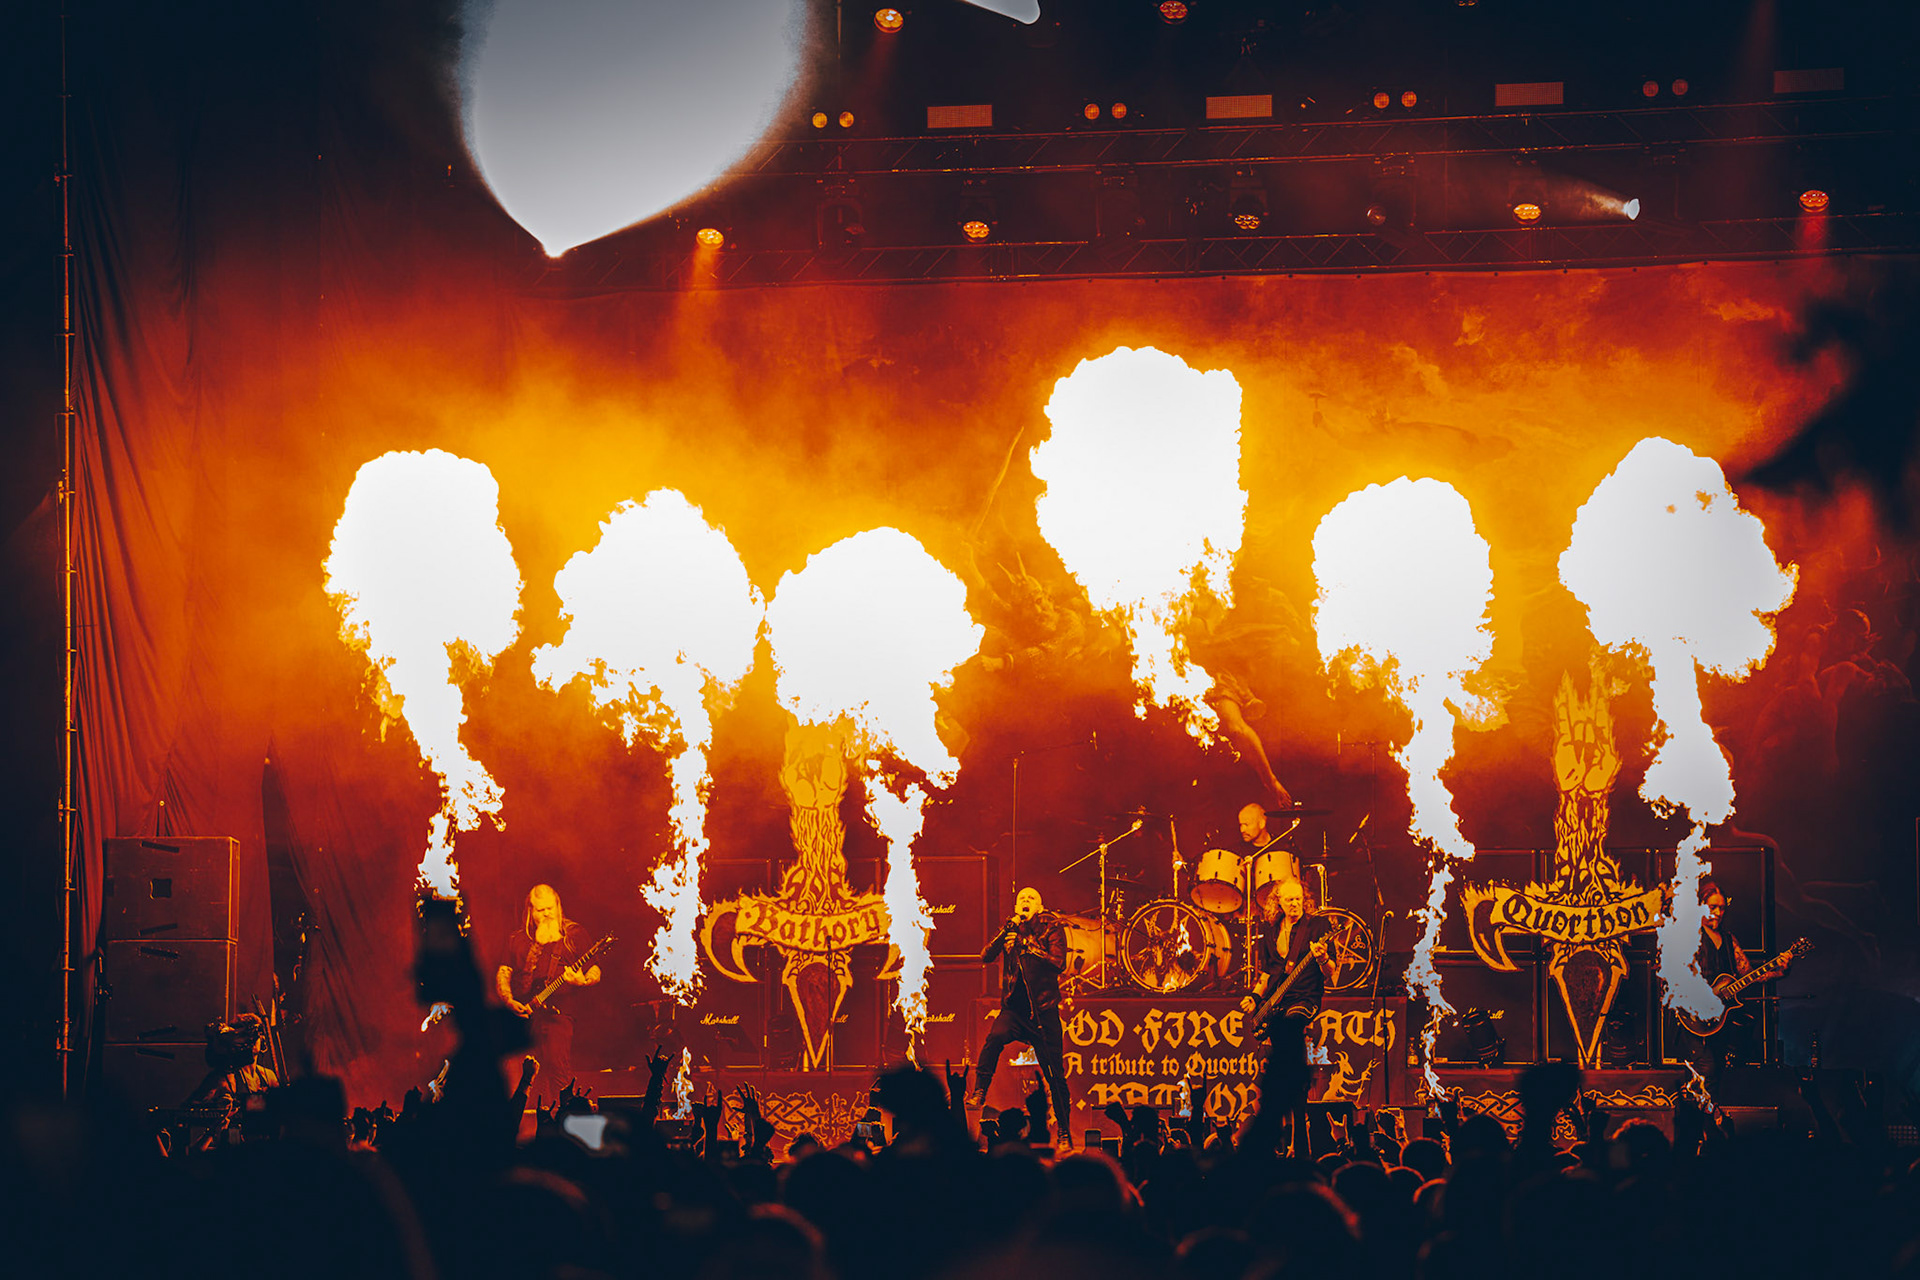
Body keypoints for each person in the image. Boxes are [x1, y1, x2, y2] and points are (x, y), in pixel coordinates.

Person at [965, 886, 1073, 1149]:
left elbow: (1058, 963)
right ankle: (979, 1092)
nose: (1025, 901)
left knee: (1054, 1074)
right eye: (1021, 898)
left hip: (1043, 1010)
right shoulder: (1011, 929)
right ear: (1016, 907)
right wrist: (1005, 931)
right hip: (1015, 1010)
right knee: (993, 1039)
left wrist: (1027, 947)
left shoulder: (1051, 928)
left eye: (1030, 898)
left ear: (1039, 906)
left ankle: (1065, 1132)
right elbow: (985, 956)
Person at [1240, 880, 1334, 1155]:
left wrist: (1322, 957)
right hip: (1278, 1001)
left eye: (1298, 900)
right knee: (1273, 1056)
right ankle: (1283, 1131)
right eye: (1289, 900)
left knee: (1291, 1027)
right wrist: (1255, 999)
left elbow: (1330, 973)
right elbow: (1267, 974)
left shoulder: (1318, 927)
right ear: (1278, 901)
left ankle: (1298, 1129)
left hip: (1305, 999)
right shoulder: (1270, 930)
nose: (1295, 905)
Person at [495, 884, 601, 1102]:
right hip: (523, 1014)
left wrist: (583, 980)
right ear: (530, 911)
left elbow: (595, 969)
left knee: (556, 1067)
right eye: (541, 910)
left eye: (550, 908)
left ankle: (564, 1118)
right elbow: (504, 971)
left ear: (558, 906)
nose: (547, 914)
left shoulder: (574, 934)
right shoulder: (517, 939)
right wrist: (508, 1000)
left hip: (559, 1014)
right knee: (517, 1071)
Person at [1682, 879, 1754, 1080]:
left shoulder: (1729, 940)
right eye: (1712, 906)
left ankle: (1714, 1110)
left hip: (1721, 1019)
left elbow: (1748, 973)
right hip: (1693, 1017)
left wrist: (1780, 969)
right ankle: (1701, 1111)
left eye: (1722, 908)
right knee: (1706, 1068)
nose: (1718, 912)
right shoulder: (1687, 936)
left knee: (1722, 1069)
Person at [1239, 802, 1300, 903]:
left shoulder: (1283, 846)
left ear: (1262, 823)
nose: (1242, 830)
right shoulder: (1239, 851)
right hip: (1251, 907)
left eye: (1246, 824)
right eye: (1240, 825)